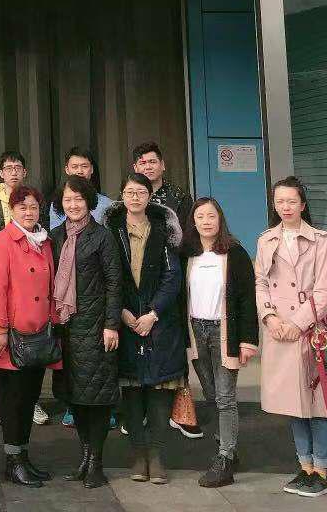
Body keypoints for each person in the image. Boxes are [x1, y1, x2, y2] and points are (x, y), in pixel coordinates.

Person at [256, 176, 327, 498]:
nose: (285, 207)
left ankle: (322, 470)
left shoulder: (319, 240)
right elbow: (260, 282)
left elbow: (324, 291)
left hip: (310, 332)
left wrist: (297, 323)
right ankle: (304, 467)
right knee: (292, 403)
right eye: (280, 202)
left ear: (303, 204)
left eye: (291, 201)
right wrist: (270, 317)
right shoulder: (266, 240)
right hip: (278, 331)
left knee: (318, 405)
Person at [0, 183, 59, 488]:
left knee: (29, 399)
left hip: (39, 335)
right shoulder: (3, 241)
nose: (28, 212)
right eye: (22, 207)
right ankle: (13, 463)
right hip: (12, 336)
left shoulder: (44, 241)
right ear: (11, 210)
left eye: (33, 207)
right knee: (13, 402)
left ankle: (23, 457)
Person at [109, 171, 185, 485]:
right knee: (131, 392)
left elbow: (173, 276)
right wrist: (122, 314)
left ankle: (156, 456)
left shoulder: (163, 229)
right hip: (125, 320)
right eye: (130, 192)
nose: (135, 198)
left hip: (160, 323)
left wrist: (153, 314)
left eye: (141, 192)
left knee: (158, 392)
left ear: (148, 196)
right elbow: (107, 275)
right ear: (122, 196)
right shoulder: (111, 231)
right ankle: (138, 455)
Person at [49, 173, 122, 489]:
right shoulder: (54, 237)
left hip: (95, 328)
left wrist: (111, 324)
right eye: (68, 199)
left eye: (79, 199)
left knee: (97, 398)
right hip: (66, 329)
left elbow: (114, 282)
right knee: (75, 398)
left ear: (89, 201)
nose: (73, 205)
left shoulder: (102, 236)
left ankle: (97, 463)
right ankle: (84, 457)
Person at [182, 197, 259, 489]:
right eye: (200, 216)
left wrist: (248, 341)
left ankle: (225, 457)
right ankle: (229, 446)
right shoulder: (186, 254)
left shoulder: (235, 253)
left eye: (211, 216)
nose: (206, 221)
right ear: (193, 222)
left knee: (225, 397)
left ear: (220, 219)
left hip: (224, 332)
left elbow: (247, 299)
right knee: (212, 394)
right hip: (196, 331)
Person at [130, 141, 201, 440]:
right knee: (142, 341)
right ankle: (145, 407)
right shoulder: (131, 195)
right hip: (138, 284)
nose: (148, 166)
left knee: (175, 340)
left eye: (153, 161)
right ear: (135, 167)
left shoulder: (180, 198)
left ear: (162, 165)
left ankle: (182, 406)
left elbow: (189, 238)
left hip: (173, 279)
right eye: (143, 162)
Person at [47, 148, 114, 227]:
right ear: (67, 170)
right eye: (74, 167)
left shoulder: (107, 204)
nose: (80, 171)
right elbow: (55, 233)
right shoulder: (58, 203)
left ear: (92, 169)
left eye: (84, 166)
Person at [0, 152, 27, 226]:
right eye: (8, 168)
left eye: (18, 168)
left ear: (24, 172)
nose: (14, 173)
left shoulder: (33, 199)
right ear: (1, 173)